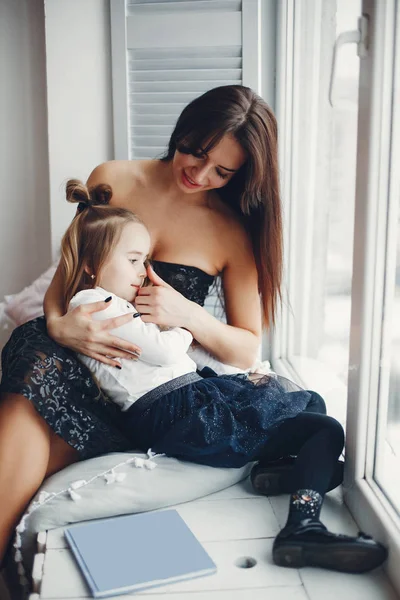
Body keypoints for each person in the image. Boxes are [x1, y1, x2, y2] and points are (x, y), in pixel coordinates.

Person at [0, 86, 386, 573]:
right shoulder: (113, 179)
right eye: (196, 152)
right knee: (29, 379)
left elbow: (247, 348)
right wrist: (59, 326)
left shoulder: (231, 231)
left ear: (240, 173)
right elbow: (70, 275)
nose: (200, 174)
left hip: (146, 384)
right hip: (68, 351)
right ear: (181, 130)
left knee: (30, 452)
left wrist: (188, 313)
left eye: (221, 171)